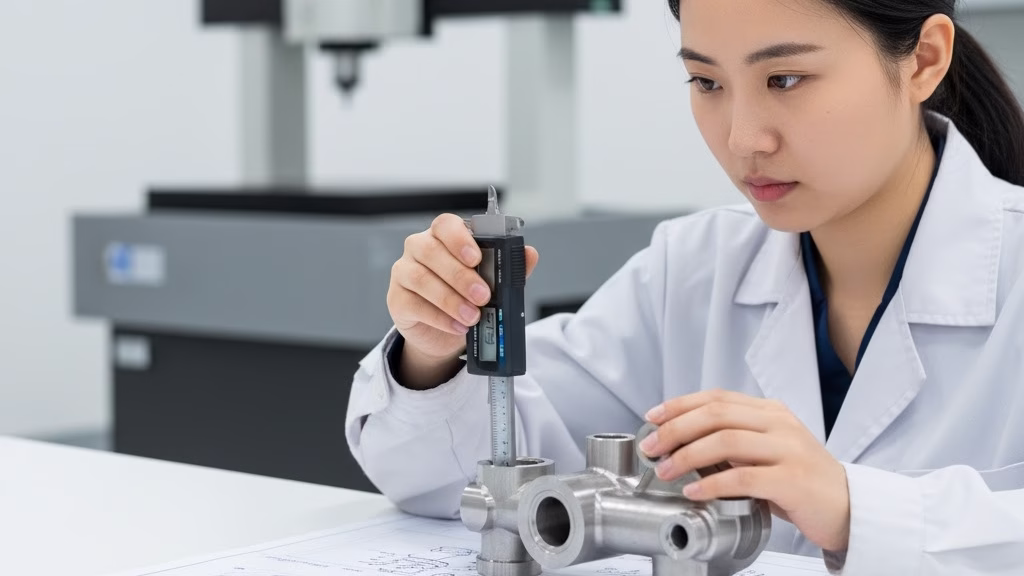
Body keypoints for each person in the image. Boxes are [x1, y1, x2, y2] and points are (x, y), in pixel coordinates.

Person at [346, 0, 1024, 573]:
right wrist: (433, 352)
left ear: (925, 60)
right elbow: (449, 480)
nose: (742, 138)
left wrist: (853, 506)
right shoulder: (696, 265)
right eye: (706, 82)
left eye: (786, 78)